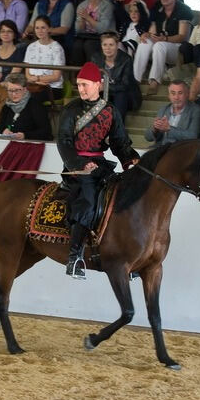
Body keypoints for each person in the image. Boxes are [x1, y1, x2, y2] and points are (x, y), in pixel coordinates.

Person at [58, 62, 138, 280]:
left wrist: (131, 161)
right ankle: (74, 258)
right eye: (79, 85)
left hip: (100, 165)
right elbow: (64, 142)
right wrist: (79, 164)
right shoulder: (71, 109)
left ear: (98, 85)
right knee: (89, 200)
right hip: (77, 168)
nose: (81, 89)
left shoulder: (111, 111)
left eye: (85, 85)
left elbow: (120, 143)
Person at [132, 0, 192, 94]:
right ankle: (135, 79)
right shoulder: (157, 7)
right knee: (144, 43)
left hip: (177, 48)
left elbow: (183, 36)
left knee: (160, 45)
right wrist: (147, 34)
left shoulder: (184, 10)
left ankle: (154, 81)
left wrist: (165, 39)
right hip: (161, 43)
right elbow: (153, 30)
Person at [91, 31, 138, 121]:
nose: (107, 48)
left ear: (117, 45)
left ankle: (117, 128)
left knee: (120, 95)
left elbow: (125, 85)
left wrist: (105, 87)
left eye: (111, 45)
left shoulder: (126, 60)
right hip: (104, 94)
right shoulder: (95, 58)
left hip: (125, 95)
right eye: (105, 45)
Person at [145, 80, 200, 146]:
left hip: (182, 150)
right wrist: (154, 129)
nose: (176, 97)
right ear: (169, 96)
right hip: (161, 149)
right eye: (173, 93)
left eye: (180, 93)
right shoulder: (163, 109)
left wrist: (169, 129)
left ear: (187, 94)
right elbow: (147, 138)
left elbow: (193, 136)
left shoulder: (196, 110)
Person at [0, 72, 51, 140]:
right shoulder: (6, 107)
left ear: (25, 89)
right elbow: (0, 127)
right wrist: (3, 130)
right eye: (10, 90)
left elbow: (46, 132)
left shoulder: (35, 106)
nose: (13, 94)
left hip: (29, 146)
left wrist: (25, 135)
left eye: (17, 90)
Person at [23, 15, 65, 100]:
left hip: (52, 88)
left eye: (43, 27)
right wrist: (35, 80)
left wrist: (38, 78)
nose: (40, 31)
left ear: (49, 29)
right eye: (37, 28)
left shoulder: (57, 48)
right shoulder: (31, 47)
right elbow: (27, 73)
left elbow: (56, 76)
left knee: (32, 97)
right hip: (34, 85)